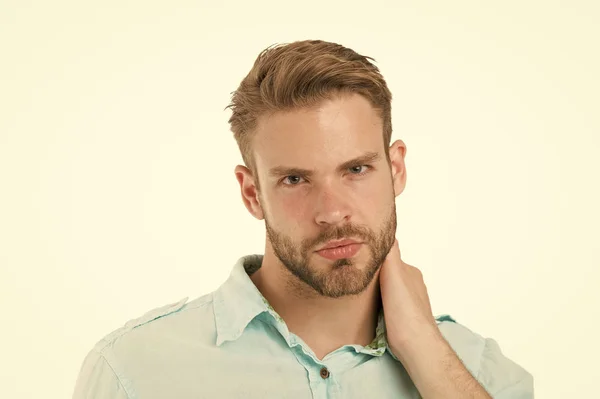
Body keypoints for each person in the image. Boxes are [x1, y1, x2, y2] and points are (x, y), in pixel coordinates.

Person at [72, 39, 533, 398]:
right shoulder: (133, 371)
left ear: (396, 170)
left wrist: (423, 349)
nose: (332, 212)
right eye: (295, 179)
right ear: (252, 193)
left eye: (356, 170)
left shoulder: (478, 370)